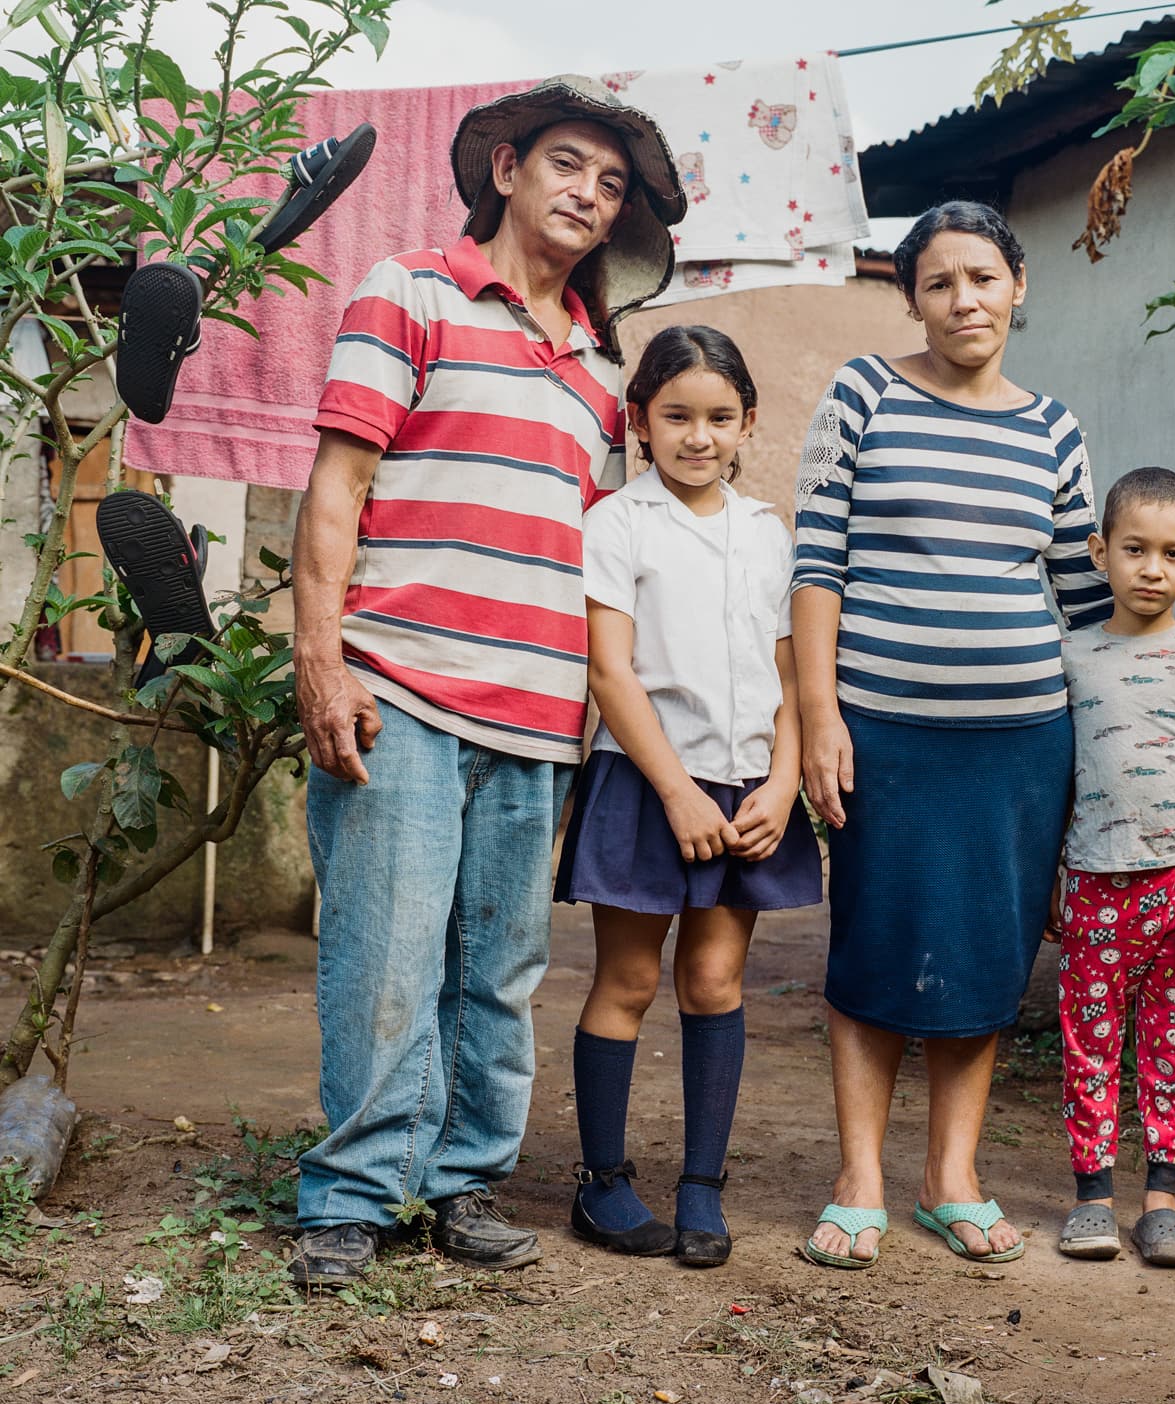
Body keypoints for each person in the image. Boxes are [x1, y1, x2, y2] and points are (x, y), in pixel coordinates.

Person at [288, 77, 686, 1288]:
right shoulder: (409, 289)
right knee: (385, 953)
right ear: (506, 168)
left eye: (612, 185)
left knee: (499, 968)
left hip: (535, 709)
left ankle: (461, 1183)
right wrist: (321, 654)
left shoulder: (594, 377)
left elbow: (582, 553)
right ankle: (353, 1195)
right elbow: (339, 488)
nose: (589, 193)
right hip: (400, 683)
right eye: (570, 164)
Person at [792, 200, 1112, 1269]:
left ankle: (951, 1178)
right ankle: (860, 1178)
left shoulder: (1053, 428)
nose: (963, 300)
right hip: (883, 728)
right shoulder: (864, 393)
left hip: (1020, 743)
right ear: (913, 297)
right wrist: (820, 714)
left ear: (1020, 285)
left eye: (983, 277)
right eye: (939, 282)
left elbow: (1084, 599)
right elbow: (817, 566)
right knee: (874, 940)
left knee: (987, 954)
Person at [554, 325, 821, 1268]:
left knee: (713, 982)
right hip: (648, 781)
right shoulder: (617, 524)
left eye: (717, 418)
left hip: (748, 788)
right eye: (676, 417)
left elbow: (792, 675)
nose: (697, 437)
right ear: (641, 422)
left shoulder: (767, 534)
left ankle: (702, 1185)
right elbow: (612, 673)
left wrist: (785, 782)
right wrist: (674, 791)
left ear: (748, 423)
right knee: (627, 980)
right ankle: (603, 1183)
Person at [1054, 467, 1175, 1268]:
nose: (1151, 569)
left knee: (1173, 1042)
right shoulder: (1068, 658)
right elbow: (1054, 784)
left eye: (1172, 554)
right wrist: (1052, 883)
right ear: (1100, 552)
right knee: (1089, 1042)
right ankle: (1093, 1200)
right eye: (1134, 549)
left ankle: (1163, 1202)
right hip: (1094, 883)